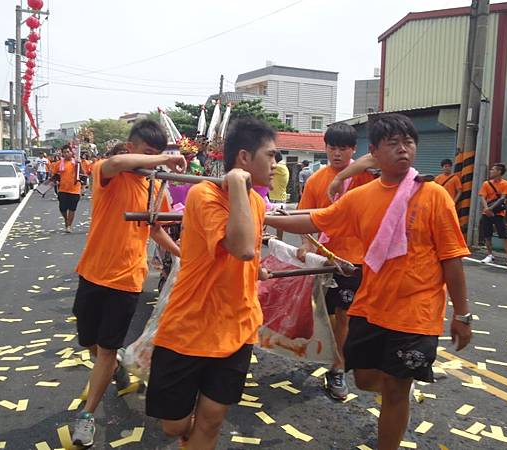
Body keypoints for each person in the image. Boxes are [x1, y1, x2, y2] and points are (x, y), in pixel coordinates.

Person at [265, 114, 472, 450]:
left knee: (394, 389)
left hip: (416, 312)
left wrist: (461, 314)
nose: (403, 150)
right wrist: (261, 215)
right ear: (375, 152)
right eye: (393, 144)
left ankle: (395, 408)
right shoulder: (361, 197)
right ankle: (398, 378)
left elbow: (452, 257)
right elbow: (316, 219)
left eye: (409, 143)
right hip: (372, 305)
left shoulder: (433, 195)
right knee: (364, 379)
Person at [145, 118, 276, 450]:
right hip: (189, 327)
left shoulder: (257, 204)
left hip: (236, 326)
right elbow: (243, 248)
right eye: (271, 155)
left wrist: (256, 271)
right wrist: (234, 185)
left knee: (214, 417)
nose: (276, 165)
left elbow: (248, 254)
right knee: (174, 426)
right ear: (244, 158)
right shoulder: (204, 195)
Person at [70, 120, 186, 447]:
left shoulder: (154, 188)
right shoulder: (108, 173)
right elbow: (119, 163)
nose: (152, 160)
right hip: (92, 273)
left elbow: (157, 229)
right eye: (147, 154)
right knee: (90, 344)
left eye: (157, 154)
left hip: (127, 280)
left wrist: (182, 256)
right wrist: (164, 160)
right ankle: (115, 362)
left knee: (105, 349)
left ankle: (87, 415)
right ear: (131, 147)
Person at [297, 122, 374, 400]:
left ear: (354, 149)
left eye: (344, 148)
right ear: (325, 148)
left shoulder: (367, 174)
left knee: (344, 315)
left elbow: (377, 158)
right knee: (326, 315)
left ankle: (337, 368)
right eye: (332, 147)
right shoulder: (316, 180)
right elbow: (306, 218)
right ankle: (333, 354)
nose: (337, 153)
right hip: (327, 259)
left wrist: (341, 178)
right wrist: (306, 245)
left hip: (356, 259)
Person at [479, 163, 507, 268]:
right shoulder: (486, 184)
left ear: (499, 172)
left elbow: (502, 198)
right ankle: (489, 255)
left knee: (503, 235)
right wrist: (486, 209)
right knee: (487, 235)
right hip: (486, 213)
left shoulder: (506, 184)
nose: (491, 171)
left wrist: (490, 208)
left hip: (499, 213)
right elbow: (482, 197)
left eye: (493, 170)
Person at [52, 145, 82, 233]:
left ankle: (69, 225)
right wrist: (56, 181)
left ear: (71, 152)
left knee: (72, 209)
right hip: (62, 189)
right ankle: (66, 219)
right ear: (62, 154)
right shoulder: (58, 164)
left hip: (75, 189)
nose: (66, 154)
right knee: (62, 208)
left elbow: (83, 173)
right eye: (64, 152)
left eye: (68, 152)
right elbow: (54, 176)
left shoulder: (76, 163)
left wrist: (79, 164)